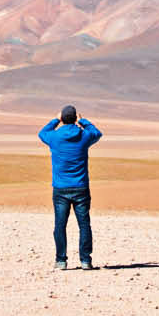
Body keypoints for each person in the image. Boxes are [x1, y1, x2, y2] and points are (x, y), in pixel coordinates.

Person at [38, 104, 102, 270]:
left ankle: (61, 260)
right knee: (84, 225)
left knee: (60, 225)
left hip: (60, 189)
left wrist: (55, 119)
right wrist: (84, 121)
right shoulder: (84, 136)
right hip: (80, 187)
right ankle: (85, 260)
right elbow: (97, 133)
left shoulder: (54, 137)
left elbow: (42, 133)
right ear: (75, 119)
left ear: (62, 119)